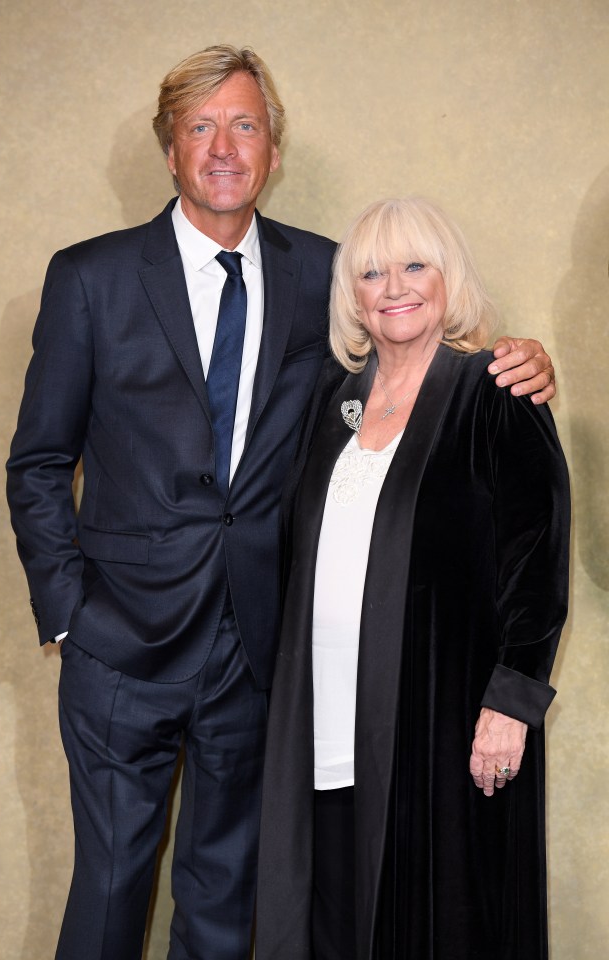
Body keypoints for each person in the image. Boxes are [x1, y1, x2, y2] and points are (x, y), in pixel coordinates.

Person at [6, 43, 556, 960]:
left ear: (272, 146)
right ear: (171, 147)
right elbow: (38, 463)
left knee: (226, 907)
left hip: (255, 658)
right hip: (118, 653)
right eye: (202, 126)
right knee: (109, 898)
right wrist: (69, 616)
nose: (225, 146)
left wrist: (520, 359)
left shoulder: (325, 276)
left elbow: (413, 343)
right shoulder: (90, 279)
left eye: (246, 124)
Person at [256, 198, 570, 960]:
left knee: (436, 929)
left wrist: (512, 704)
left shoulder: (495, 391)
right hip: (326, 732)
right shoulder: (331, 406)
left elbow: (539, 560)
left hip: (444, 730)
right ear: (352, 298)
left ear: (447, 279)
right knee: (332, 924)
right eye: (371, 272)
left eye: (413, 265)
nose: (393, 285)